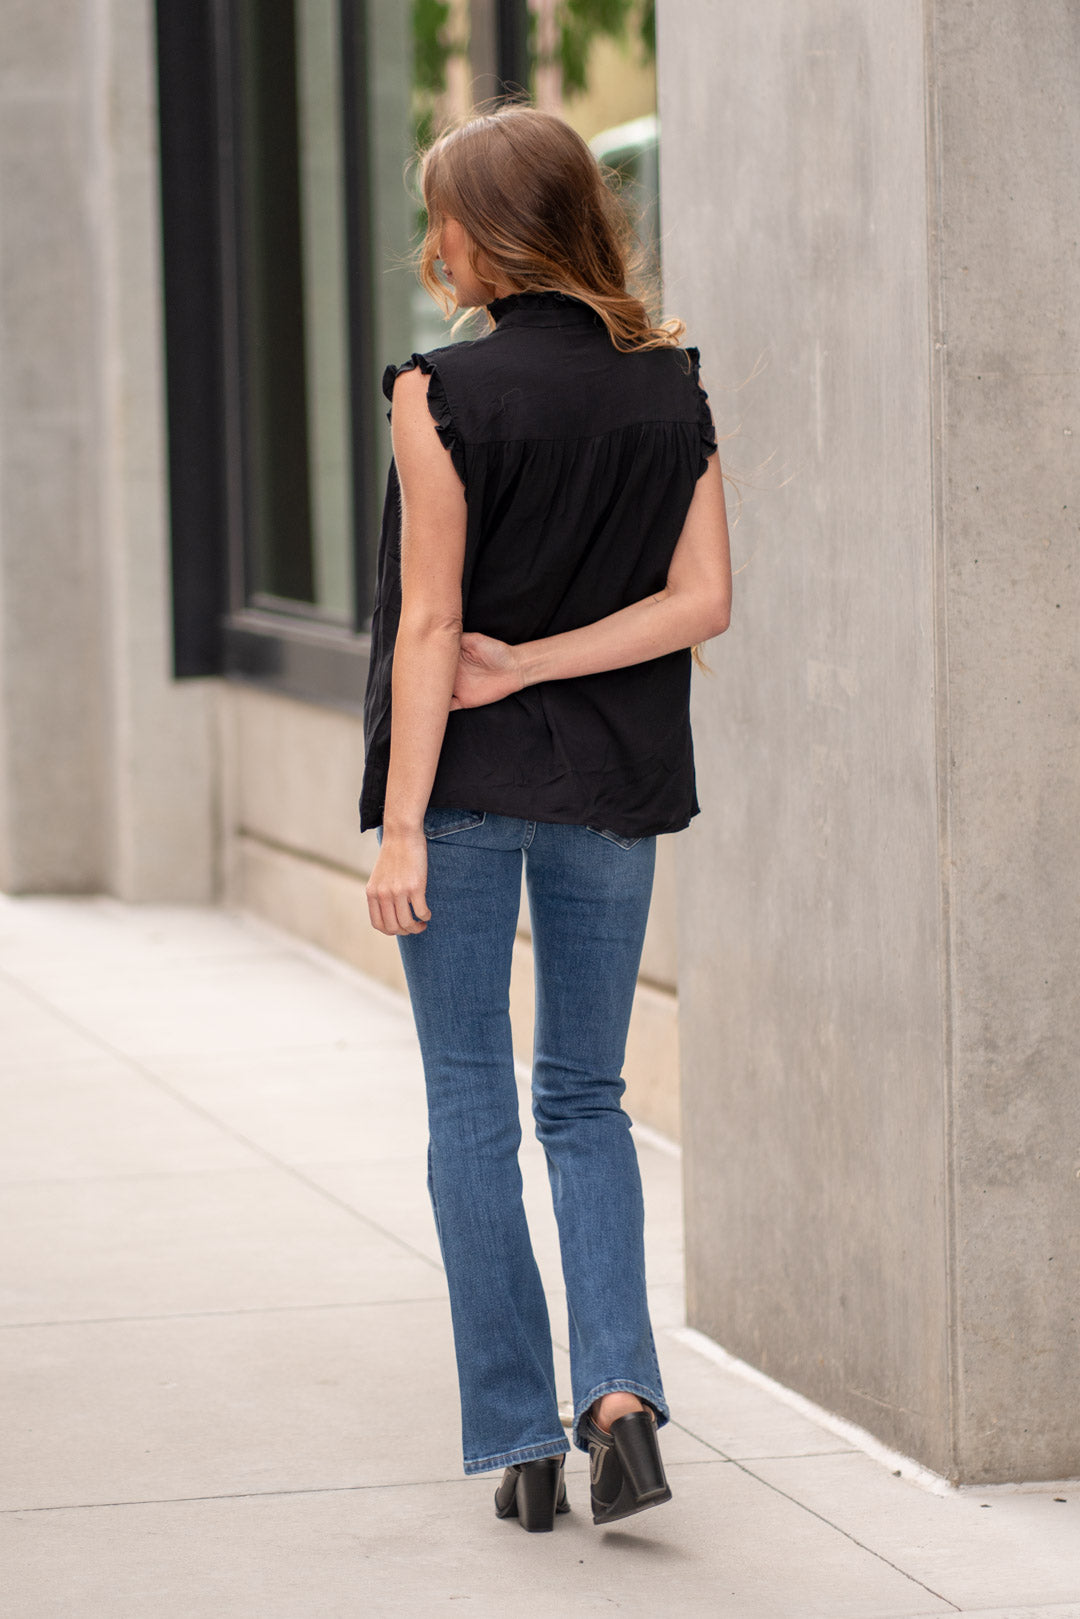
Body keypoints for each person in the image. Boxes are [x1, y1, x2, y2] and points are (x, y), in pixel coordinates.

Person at [359, 105, 731, 1532]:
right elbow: (702, 603)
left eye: (442, 218)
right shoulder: (670, 385)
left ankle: (522, 1438)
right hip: (614, 792)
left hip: (462, 791)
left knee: (471, 1106)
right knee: (586, 1100)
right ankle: (621, 1402)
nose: (432, 244)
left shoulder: (438, 392)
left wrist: (402, 823)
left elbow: (433, 620)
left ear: (489, 234)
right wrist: (544, 662)